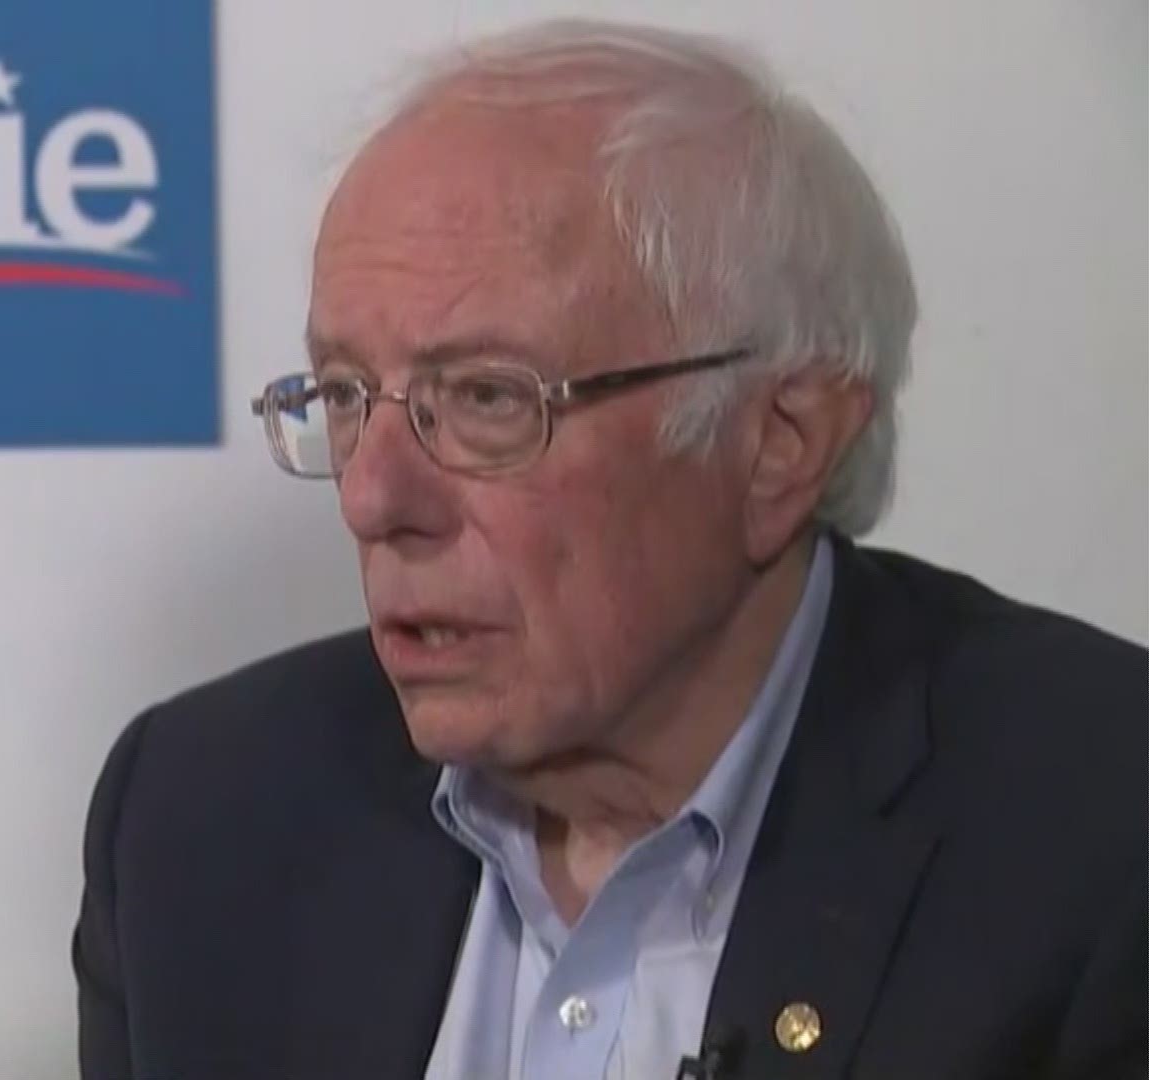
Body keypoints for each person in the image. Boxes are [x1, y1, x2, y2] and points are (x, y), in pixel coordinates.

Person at [72, 18, 1147, 1080]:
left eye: (488, 398)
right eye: (346, 396)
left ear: (780, 444)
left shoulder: (1101, 834)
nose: (371, 495)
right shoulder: (199, 816)